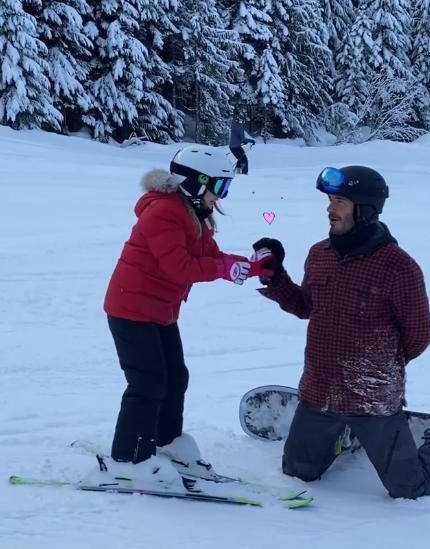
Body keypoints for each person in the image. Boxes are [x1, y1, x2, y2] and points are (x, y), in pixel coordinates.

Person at [253, 165, 430, 499]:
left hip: (373, 397)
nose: (330, 208)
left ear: (364, 210)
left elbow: (418, 334)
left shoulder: (399, 267)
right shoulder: (320, 254)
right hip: (319, 391)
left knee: (409, 489)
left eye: (340, 201)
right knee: (298, 473)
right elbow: (306, 306)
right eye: (331, 200)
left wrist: (379, 365)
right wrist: (274, 278)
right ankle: (345, 436)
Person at [103, 144, 273, 481]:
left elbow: (213, 256)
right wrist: (224, 269)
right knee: (147, 382)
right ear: (196, 182)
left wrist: (253, 267)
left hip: (158, 310)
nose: (220, 197)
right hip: (131, 308)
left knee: (175, 377)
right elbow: (179, 267)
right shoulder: (163, 211)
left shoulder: (193, 215)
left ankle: (166, 442)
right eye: (219, 188)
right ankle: (129, 460)